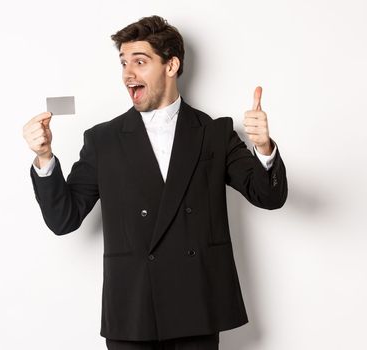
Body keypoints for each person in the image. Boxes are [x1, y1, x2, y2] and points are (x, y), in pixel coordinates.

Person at [22, 15, 287, 350]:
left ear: (171, 65)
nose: (128, 74)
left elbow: (269, 196)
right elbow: (63, 219)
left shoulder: (214, 133)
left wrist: (263, 147)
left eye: (140, 62)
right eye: (123, 63)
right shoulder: (103, 139)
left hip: (197, 305)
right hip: (132, 311)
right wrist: (45, 157)